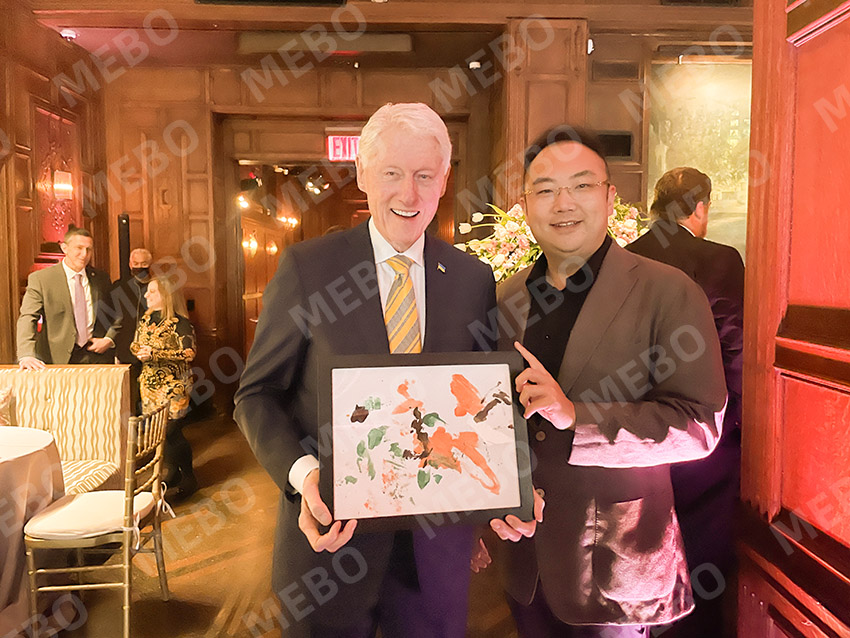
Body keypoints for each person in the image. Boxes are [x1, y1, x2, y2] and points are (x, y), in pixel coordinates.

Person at [234, 102, 497, 638]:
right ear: (362, 174)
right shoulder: (309, 269)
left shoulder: (473, 279)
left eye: (424, 176)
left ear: (444, 180)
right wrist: (304, 475)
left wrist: (491, 498)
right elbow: (256, 395)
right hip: (329, 543)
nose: (409, 195)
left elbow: (481, 407)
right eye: (392, 174)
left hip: (434, 556)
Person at [490, 126, 728, 637]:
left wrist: (578, 418)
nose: (563, 203)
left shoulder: (667, 290)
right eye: (545, 189)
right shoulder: (506, 297)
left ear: (610, 198)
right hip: (525, 562)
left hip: (617, 564)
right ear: (525, 205)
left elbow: (699, 426)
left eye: (581, 185)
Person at [627, 167, 744, 638]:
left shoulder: (623, 257)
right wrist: (737, 422)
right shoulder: (720, 260)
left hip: (636, 431)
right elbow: (736, 344)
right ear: (700, 208)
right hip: (705, 432)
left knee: (641, 541)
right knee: (704, 545)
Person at [130, 275, 198, 500]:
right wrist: (139, 352)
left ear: (166, 295)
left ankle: (189, 477)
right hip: (149, 386)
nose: (146, 295)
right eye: (147, 291)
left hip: (174, 387)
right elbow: (136, 344)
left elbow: (189, 353)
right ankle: (173, 473)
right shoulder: (146, 319)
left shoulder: (181, 323)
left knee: (172, 432)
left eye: (153, 291)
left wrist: (155, 354)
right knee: (159, 434)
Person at [17, 227, 120, 369]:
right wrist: (26, 354)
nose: (84, 254)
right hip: (57, 359)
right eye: (79, 248)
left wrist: (109, 339)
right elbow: (28, 317)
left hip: (97, 358)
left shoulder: (101, 278)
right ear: (64, 248)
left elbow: (116, 314)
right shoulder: (42, 279)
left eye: (89, 249)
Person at [110, 248, 153, 414]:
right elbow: (112, 318)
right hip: (125, 346)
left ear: (150, 264)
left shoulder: (156, 287)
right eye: (136, 263)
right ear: (130, 264)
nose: (139, 267)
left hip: (150, 346)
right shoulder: (119, 287)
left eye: (144, 263)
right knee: (129, 391)